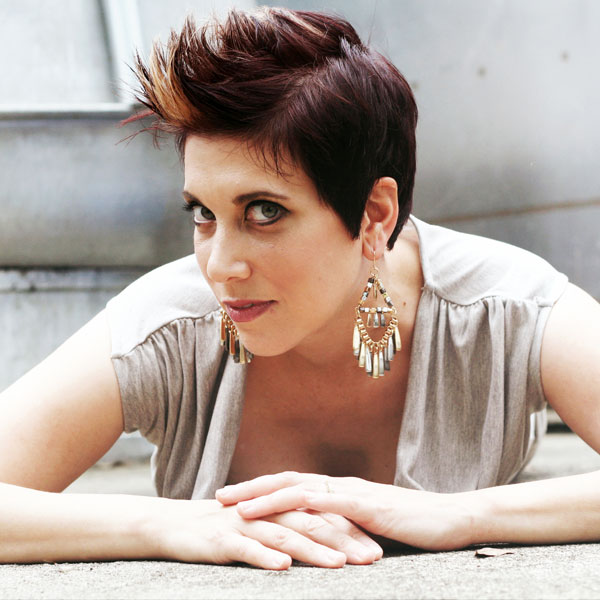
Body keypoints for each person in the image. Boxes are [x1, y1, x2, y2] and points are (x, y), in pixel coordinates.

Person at [0, 7, 599, 571]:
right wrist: (172, 525)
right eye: (203, 213)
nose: (221, 267)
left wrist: (462, 515)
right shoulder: (169, 324)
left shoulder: (509, 309)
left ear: (375, 215)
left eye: (264, 211)